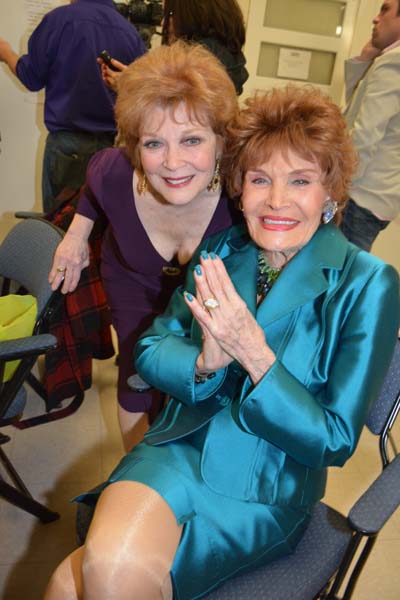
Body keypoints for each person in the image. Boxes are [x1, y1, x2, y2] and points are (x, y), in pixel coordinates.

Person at [44, 85, 400, 600]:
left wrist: (254, 354)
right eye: (260, 180)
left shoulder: (367, 282)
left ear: (331, 194)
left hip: (266, 484)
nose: (277, 201)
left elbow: (336, 439)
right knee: (91, 571)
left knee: (77, 582)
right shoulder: (223, 248)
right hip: (175, 447)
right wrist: (205, 363)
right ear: (240, 187)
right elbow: (150, 348)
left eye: (299, 181)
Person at [48, 41, 240, 451]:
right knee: (135, 371)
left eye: (191, 140)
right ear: (135, 147)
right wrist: (76, 234)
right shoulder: (116, 172)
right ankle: (137, 470)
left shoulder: (241, 191)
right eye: (154, 144)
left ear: (222, 141)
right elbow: (95, 185)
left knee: (206, 384)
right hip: (131, 282)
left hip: (206, 304)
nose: (172, 162)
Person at [0, 0, 146, 212]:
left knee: (58, 227)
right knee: (97, 230)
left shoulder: (59, 20)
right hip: (111, 151)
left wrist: (6, 54)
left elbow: (31, 77)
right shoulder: (129, 31)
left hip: (67, 149)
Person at [340, 0, 400, 251]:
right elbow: (356, 104)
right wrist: (365, 59)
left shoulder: (394, 62)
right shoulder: (388, 59)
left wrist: (339, 186)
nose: (376, 18)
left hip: (360, 195)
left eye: (385, 10)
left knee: (339, 275)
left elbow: (365, 133)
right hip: (379, 196)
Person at [101, 0, 249, 95]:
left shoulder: (195, 62)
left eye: (169, 14)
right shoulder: (229, 59)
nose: (162, 23)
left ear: (194, 15)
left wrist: (131, 87)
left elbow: (175, 105)